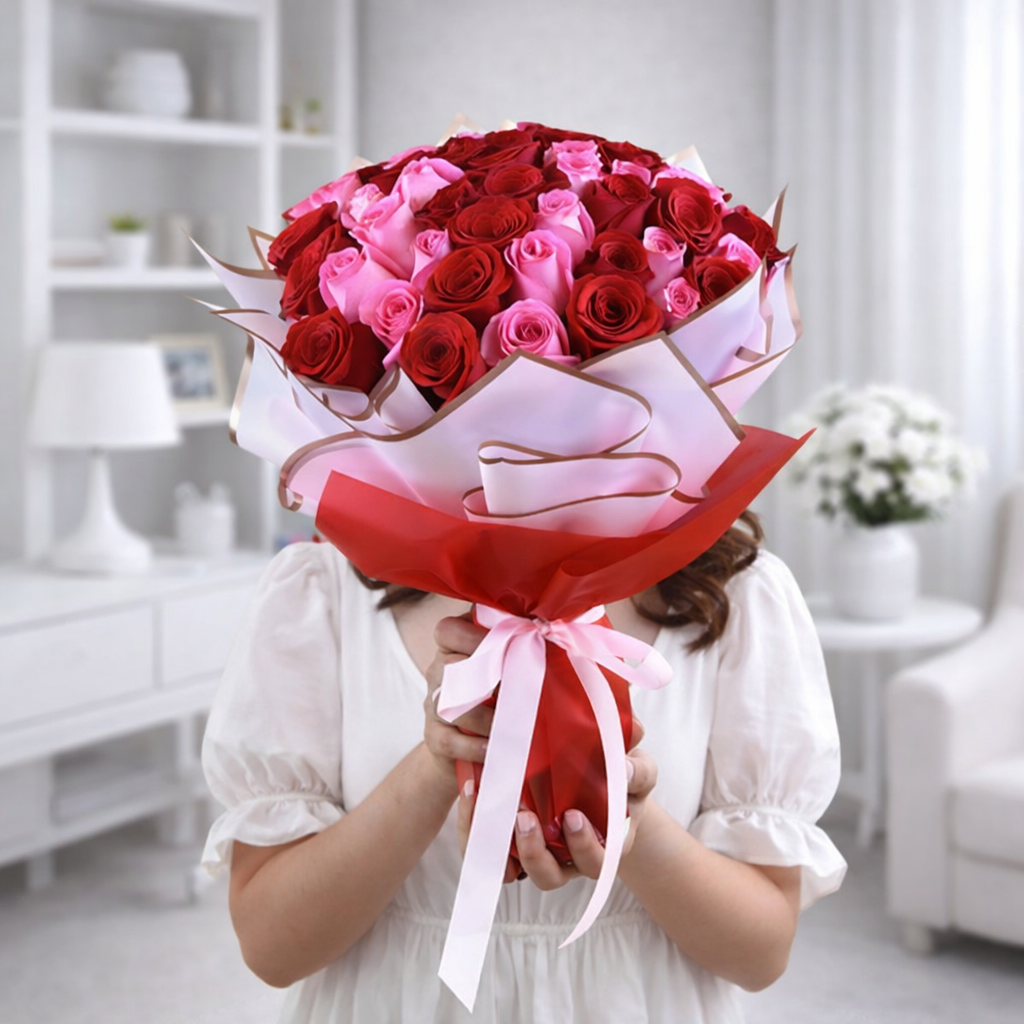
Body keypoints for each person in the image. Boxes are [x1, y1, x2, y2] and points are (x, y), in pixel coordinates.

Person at [201, 512, 847, 1023]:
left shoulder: (735, 593)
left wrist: (634, 828)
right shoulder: (322, 589)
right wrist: (444, 757)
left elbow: (761, 951)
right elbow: (272, 945)